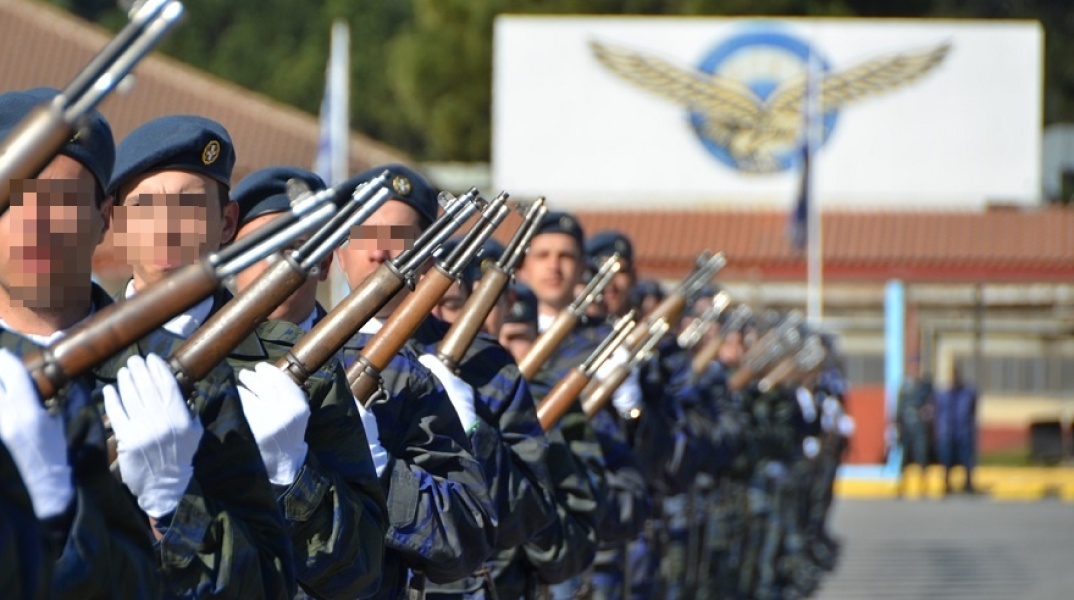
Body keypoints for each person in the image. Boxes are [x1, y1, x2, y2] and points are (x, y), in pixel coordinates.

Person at [106, 115, 298, 598]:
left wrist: (301, 479)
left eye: (189, 206)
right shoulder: (70, 352)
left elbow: (357, 574)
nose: (167, 228)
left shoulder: (290, 360)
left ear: (226, 222)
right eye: (145, 207)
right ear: (115, 222)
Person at [0, 87, 161, 599]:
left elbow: (265, 579)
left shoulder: (174, 373)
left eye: (64, 202)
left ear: (104, 219)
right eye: (14, 198)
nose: (37, 225)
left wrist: (175, 513)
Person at [333, 164, 499, 599]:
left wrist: (480, 439)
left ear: (429, 255)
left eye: (400, 238)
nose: (380, 253)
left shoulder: (484, 363)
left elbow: (514, 524)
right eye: (365, 234)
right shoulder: (297, 355)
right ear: (339, 252)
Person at [935, 366, 978, 494]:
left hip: (963, 430)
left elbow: (972, 409)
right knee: (947, 459)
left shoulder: (966, 393)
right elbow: (940, 412)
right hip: (948, 431)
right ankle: (947, 484)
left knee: (967, 459)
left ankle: (968, 484)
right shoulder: (944, 394)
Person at [895, 358, 935, 496]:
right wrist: (897, 422)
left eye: (917, 367)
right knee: (904, 456)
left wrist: (926, 415)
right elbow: (899, 406)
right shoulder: (906, 385)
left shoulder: (926, 386)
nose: (915, 370)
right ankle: (902, 484)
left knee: (921, 454)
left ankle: (923, 485)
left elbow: (931, 404)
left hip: (919, 425)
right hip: (907, 425)